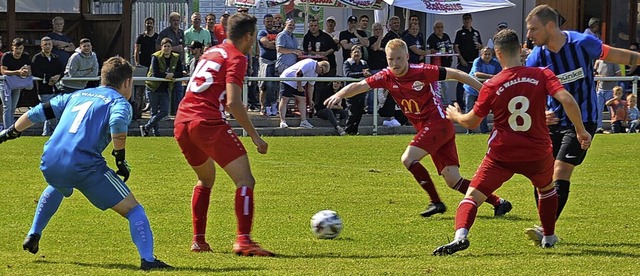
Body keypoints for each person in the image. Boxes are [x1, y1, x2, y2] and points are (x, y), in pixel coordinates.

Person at [0, 56, 171, 270]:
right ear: (127, 82)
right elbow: (117, 122)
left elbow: (36, 112)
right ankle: (148, 260)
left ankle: (34, 233)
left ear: (103, 78)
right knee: (134, 210)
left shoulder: (77, 95)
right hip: (85, 165)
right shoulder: (119, 102)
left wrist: (11, 131)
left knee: (58, 186)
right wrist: (120, 157)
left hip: (51, 160)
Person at [433, 29, 592, 255]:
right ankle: (549, 236)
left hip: (502, 154)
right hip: (536, 152)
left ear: (498, 54)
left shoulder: (492, 84)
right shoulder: (542, 74)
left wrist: (455, 115)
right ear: (520, 49)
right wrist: (581, 130)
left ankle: (460, 236)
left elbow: (471, 122)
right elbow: (566, 99)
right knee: (546, 189)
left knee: (473, 196)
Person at [324, 39, 512, 218]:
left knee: (408, 158)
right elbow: (360, 85)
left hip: (437, 124)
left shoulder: (421, 71)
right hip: (433, 128)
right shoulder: (386, 76)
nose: (395, 63)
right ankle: (498, 202)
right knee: (453, 180)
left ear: (407, 57)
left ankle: (436, 202)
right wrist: (340, 93)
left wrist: (484, 91)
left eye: (399, 58)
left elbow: (457, 74)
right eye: (391, 59)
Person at [524, 4, 640, 242]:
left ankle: (545, 229)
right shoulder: (537, 57)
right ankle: (547, 227)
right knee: (543, 176)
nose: (529, 35)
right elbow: (527, 92)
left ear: (550, 26)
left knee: (560, 170)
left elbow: (619, 55)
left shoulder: (582, 43)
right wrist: (541, 112)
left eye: (533, 29)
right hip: (552, 122)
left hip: (583, 121)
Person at [174, 13, 275, 257]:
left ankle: (198, 240)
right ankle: (244, 240)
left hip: (182, 121)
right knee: (245, 180)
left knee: (206, 180)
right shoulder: (236, 57)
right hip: (207, 122)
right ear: (249, 36)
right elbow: (233, 102)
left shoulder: (211, 51)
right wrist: (255, 136)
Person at [140, 37, 184, 137]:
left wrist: (172, 75)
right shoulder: (155, 57)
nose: (167, 48)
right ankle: (155, 133)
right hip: (153, 87)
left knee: (164, 111)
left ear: (171, 47)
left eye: (169, 46)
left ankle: (146, 127)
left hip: (165, 88)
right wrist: (166, 75)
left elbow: (180, 73)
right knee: (154, 111)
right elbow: (155, 73)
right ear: (161, 47)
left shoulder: (176, 57)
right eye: (165, 46)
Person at [277, 58, 329, 128]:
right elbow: (298, 73)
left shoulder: (315, 74)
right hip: (288, 80)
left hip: (299, 83)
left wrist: (310, 100)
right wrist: (299, 86)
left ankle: (303, 121)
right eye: (322, 72)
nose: (321, 74)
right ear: (320, 67)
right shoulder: (309, 63)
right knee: (284, 99)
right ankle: (282, 121)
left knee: (302, 100)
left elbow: (311, 86)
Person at [463, 47, 502, 134]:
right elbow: (477, 74)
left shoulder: (495, 63)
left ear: (492, 55)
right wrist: (492, 76)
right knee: (469, 109)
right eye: (485, 54)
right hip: (471, 89)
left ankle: (484, 130)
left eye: (489, 54)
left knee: (483, 110)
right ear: (481, 55)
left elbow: (500, 74)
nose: (487, 56)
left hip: (483, 90)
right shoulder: (477, 61)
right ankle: (469, 131)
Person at [31, 37, 64, 136]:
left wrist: (58, 76)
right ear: (41, 46)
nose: (48, 46)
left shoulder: (56, 58)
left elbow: (61, 70)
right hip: (43, 89)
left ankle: (46, 133)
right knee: (50, 112)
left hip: (56, 89)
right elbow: (35, 71)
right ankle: (58, 132)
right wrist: (48, 78)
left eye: (49, 44)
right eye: (45, 44)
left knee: (52, 111)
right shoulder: (37, 58)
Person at [1, 37, 32, 129]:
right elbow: (3, 71)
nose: (18, 51)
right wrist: (18, 72)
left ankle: (11, 129)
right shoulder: (6, 56)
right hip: (4, 83)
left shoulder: (25, 56)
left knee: (13, 107)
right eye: (16, 48)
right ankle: (7, 130)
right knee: (7, 107)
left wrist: (25, 72)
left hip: (17, 84)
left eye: (20, 48)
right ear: (12, 48)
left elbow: (29, 71)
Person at [454, 13, 482, 111]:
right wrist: (461, 59)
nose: (466, 21)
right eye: (465, 19)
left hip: (474, 62)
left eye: (468, 19)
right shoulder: (460, 32)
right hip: (463, 62)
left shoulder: (476, 32)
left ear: (471, 20)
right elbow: (456, 47)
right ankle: (461, 104)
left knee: (474, 82)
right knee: (461, 83)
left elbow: (481, 46)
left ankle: (474, 102)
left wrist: (480, 46)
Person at [342, 45, 371, 134]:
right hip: (351, 91)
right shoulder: (347, 63)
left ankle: (354, 131)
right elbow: (348, 74)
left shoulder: (364, 63)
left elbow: (367, 73)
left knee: (359, 113)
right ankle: (347, 131)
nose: (357, 54)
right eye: (355, 52)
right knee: (352, 112)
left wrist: (365, 74)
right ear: (351, 54)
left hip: (361, 91)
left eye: (358, 52)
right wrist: (361, 74)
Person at [257, 14, 279, 116]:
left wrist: (274, 43)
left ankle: (273, 104)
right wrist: (275, 44)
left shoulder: (277, 33)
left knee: (275, 85)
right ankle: (264, 106)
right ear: (264, 22)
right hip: (265, 62)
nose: (269, 23)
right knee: (264, 86)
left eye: (271, 21)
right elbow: (267, 44)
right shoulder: (262, 32)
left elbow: (281, 45)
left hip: (276, 62)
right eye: (267, 21)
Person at [594, 60, 621, 133]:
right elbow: (594, 74)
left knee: (612, 110)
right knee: (598, 109)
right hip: (600, 90)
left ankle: (615, 127)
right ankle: (598, 127)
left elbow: (619, 74)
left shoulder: (614, 62)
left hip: (611, 90)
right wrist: (599, 80)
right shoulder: (598, 62)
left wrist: (607, 78)